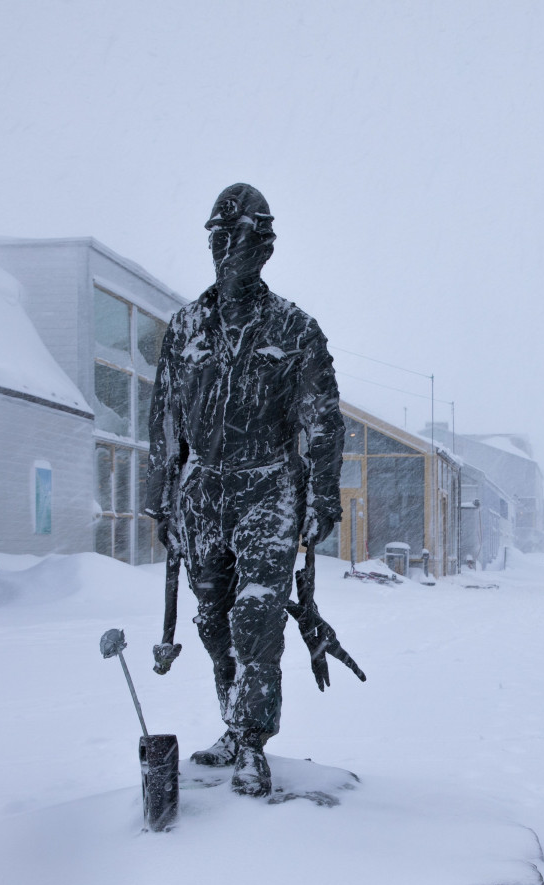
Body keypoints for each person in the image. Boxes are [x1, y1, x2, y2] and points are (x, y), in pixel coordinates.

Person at [145, 183, 345, 797]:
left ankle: (253, 741)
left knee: (257, 615)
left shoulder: (294, 329)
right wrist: (162, 498)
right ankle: (233, 721)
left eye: (232, 237)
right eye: (215, 236)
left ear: (261, 244)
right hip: (204, 491)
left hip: (267, 489)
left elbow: (324, 420)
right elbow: (163, 420)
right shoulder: (183, 329)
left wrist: (323, 496)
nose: (222, 248)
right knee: (212, 620)